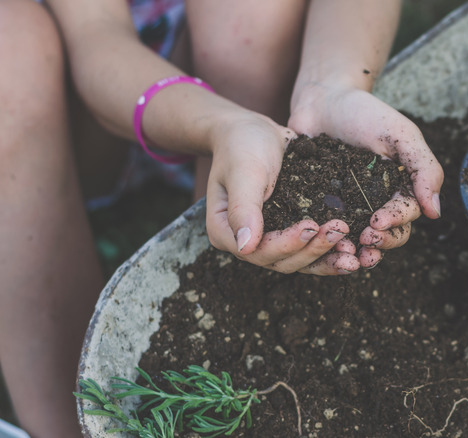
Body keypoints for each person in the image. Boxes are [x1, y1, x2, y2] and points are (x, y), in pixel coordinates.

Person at [0, 0, 444, 436]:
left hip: (221, 75)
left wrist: (334, 85)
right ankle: (75, 419)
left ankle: (224, 274)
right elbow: (96, 37)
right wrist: (220, 124)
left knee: (251, 13)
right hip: (83, 98)